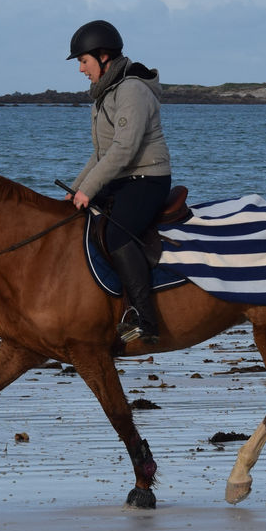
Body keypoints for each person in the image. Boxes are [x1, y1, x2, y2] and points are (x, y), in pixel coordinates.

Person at [65, 19, 172, 344]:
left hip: (148, 179)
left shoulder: (132, 90)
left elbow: (124, 150)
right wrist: (75, 191)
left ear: (103, 56)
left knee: (116, 236)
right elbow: (101, 155)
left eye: (84, 61)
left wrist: (89, 189)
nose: (81, 69)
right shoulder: (106, 94)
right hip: (124, 178)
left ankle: (145, 319)